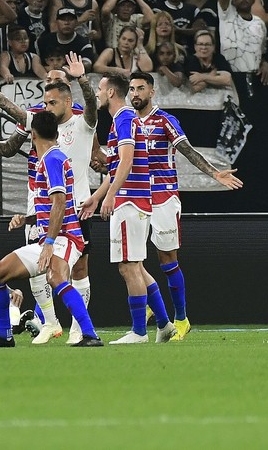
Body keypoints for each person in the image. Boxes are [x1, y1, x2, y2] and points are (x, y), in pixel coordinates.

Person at [0, 52, 98, 344]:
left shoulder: (81, 123)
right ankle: (35, 328)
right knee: (14, 273)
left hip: (74, 215)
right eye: (45, 102)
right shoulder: (42, 128)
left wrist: (82, 79)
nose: (47, 106)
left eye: (53, 101)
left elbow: (92, 104)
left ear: (67, 101)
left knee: (70, 274)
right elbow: (9, 106)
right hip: (47, 219)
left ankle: (82, 331)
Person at [127, 72, 243, 340]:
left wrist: (214, 173)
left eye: (140, 88)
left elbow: (187, 150)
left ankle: (181, 319)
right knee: (131, 260)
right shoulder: (126, 122)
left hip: (164, 197)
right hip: (135, 197)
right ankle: (153, 314)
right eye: (132, 89)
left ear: (152, 92)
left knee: (167, 260)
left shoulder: (165, 120)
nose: (135, 93)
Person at [81, 73, 176, 344]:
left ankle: (138, 332)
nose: (98, 94)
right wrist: (97, 197)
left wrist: (111, 196)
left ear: (110, 92)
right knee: (137, 266)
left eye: (100, 89)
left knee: (128, 266)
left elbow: (126, 161)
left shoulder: (123, 118)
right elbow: (116, 168)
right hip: (134, 199)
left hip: (130, 201)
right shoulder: (125, 119)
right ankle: (164, 324)